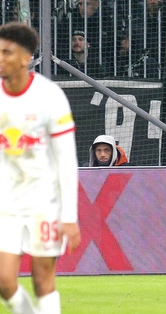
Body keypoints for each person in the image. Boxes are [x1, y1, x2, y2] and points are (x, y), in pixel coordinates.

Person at [0, 23, 81, 314]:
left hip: (44, 203)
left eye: (6, 52)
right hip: (6, 204)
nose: (0, 58)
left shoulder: (49, 97)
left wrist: (69, 216)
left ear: (25, 58)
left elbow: (66, 159)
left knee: (42, 279)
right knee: (4, 282)